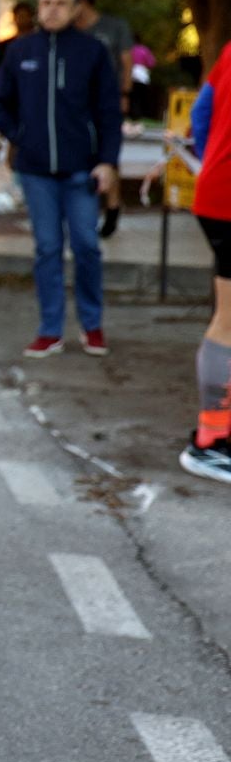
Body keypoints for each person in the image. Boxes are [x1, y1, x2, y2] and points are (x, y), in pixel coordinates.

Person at [0, 0, 122, 358]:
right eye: (46, 2)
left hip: (82, 170)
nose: (52, 9)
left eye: (61, 3)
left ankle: (92, 325)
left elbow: (109, 112)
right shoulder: (20, 51)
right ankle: (50, 329)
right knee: (47, 248)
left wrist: (108, 161)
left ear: (77, 9)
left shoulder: (93, 52)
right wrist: (20, 135)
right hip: (35, 170)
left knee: (87, 246)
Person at [182, 50, 231, 481]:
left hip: (216, 190)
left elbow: (201, 112)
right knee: (229, 320)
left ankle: (214, 436)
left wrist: (213, 155)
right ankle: (212, 441)